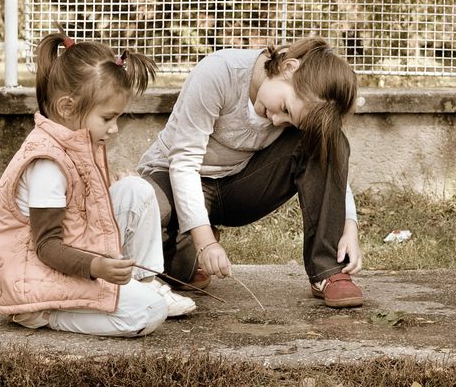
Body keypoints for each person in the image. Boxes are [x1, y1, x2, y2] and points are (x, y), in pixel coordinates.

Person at [0, 26, 196, 337]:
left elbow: (83, 208)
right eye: (108, 118)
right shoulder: (47, 164)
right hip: (37, 275)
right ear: (67, 107)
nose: (114, 129)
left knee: (137, 190)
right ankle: (44, 314)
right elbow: (47, 247)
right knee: (149, 312)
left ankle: (144, 282)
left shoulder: (78, 140)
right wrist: (97, 267)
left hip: (71, 260)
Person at [137, 36, 364, 308]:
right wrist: (205, 242)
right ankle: (185, 247)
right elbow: (184, 161)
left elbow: (329, 161)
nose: (279, 121)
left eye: (291, 121)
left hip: (237, 186)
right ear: (289, 68)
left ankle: (327, 271)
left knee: (331, 139)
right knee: (151, 218)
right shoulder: (219, 72)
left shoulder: (291, 106)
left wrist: (347, 224)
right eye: (285, 109)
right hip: (175, 178)